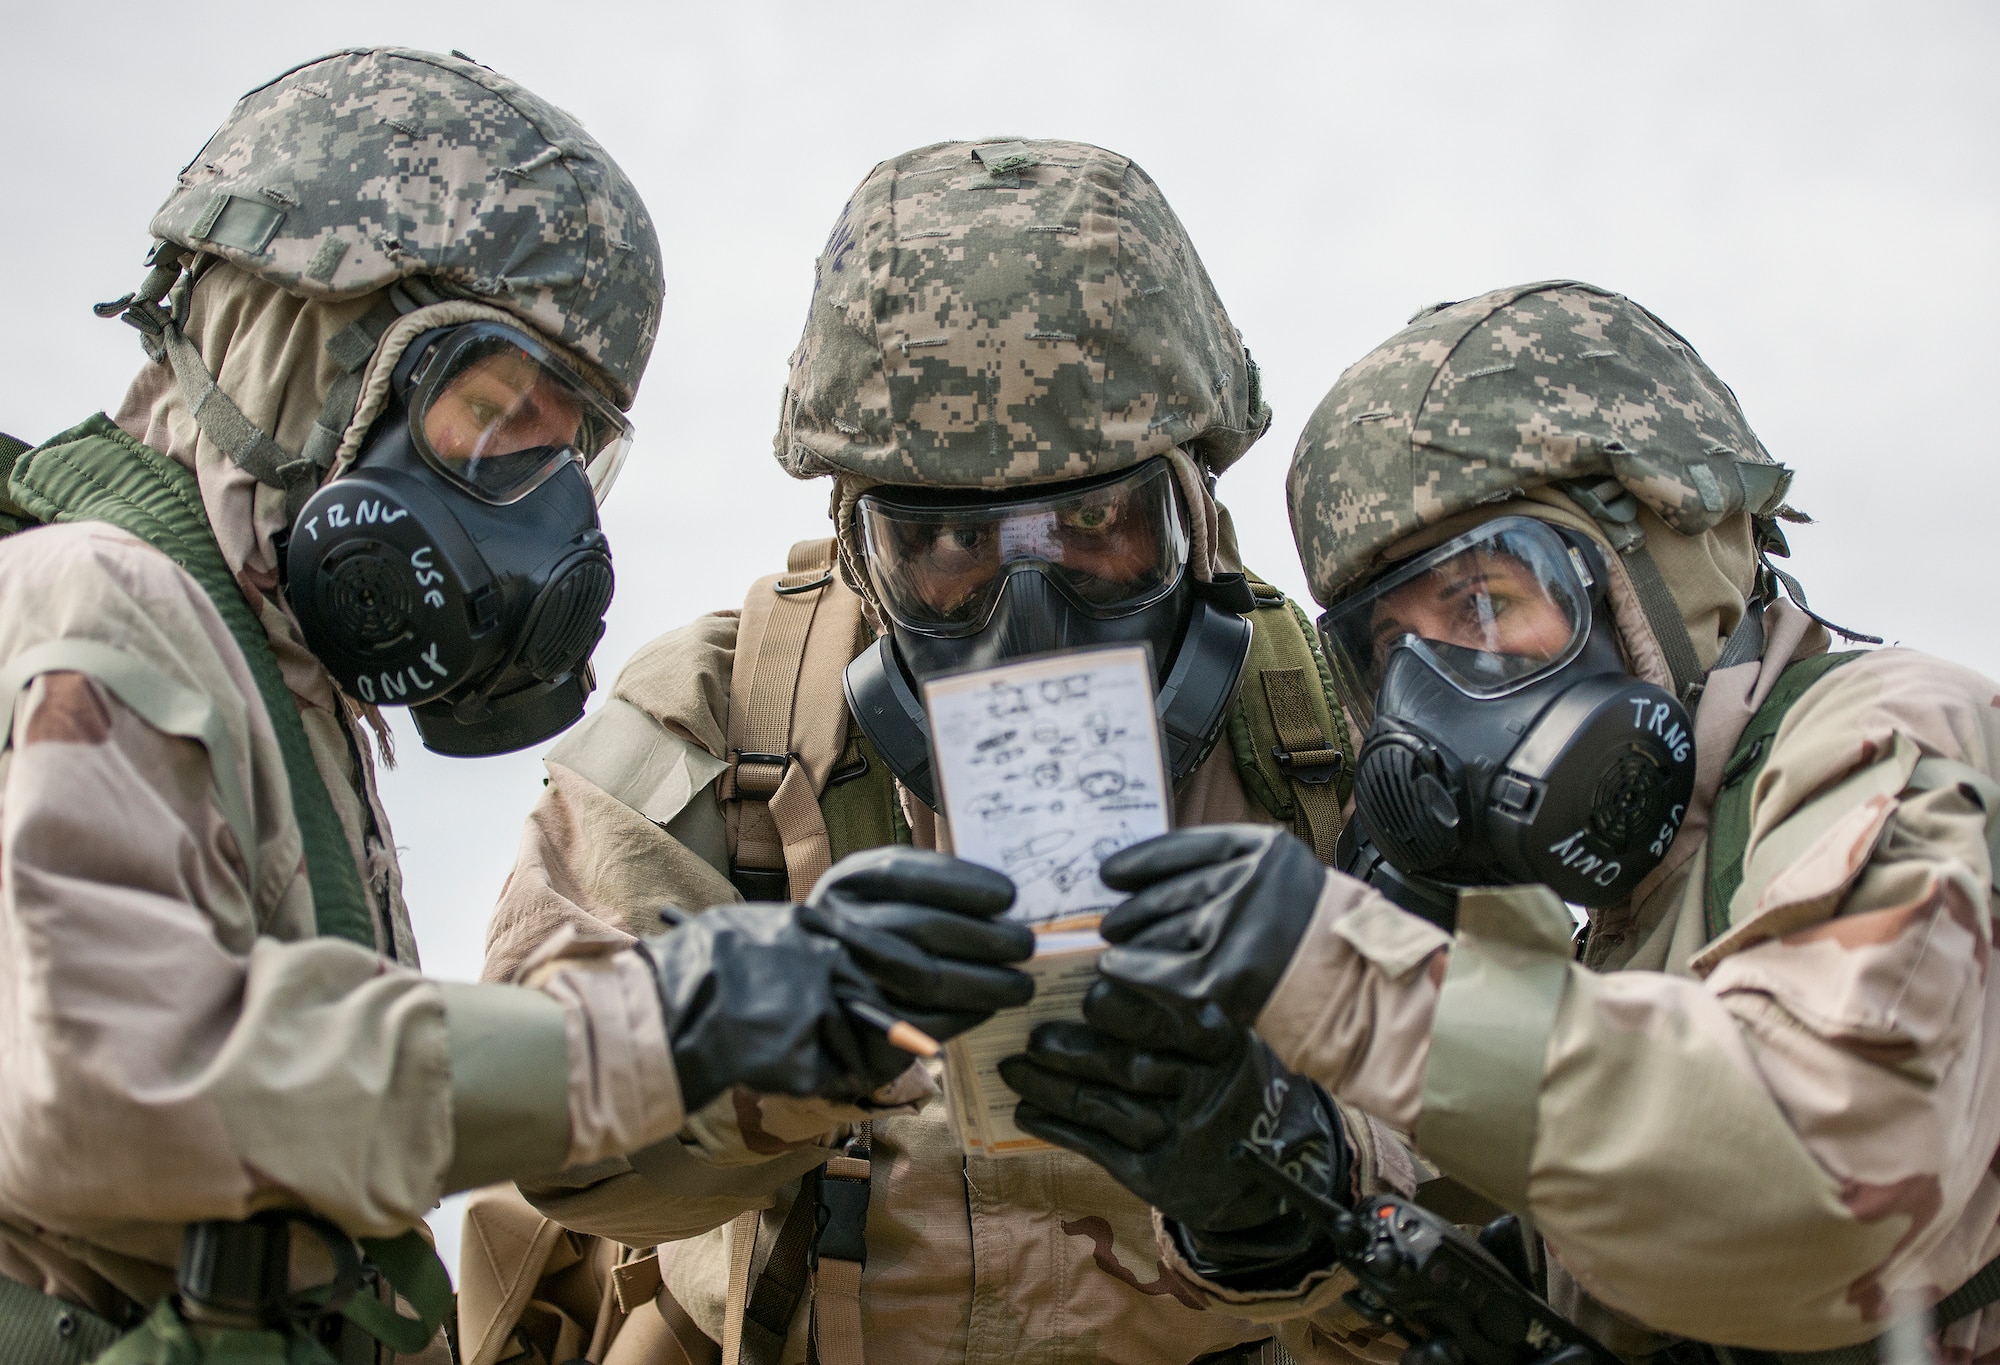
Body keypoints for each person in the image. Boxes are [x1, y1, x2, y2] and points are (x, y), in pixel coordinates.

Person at [0, 48, 993, 1365]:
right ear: (298, 340)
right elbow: (111, 1087)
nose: (529, 513)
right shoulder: (100, 603)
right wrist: (673, 1020)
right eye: (486, 415)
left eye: (562, 452)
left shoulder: (268, 675)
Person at [461, 138, 1412, 1365]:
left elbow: (1535, 1176)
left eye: (1095, 524)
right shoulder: (724, 717)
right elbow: (543, 1131)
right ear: (861, 549)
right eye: (950, 550)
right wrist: (774, 1029)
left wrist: (1291, 1164)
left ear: (1193, 507)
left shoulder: (1342, 733)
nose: (1028, 614)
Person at [1006, 280, 2000, 1360]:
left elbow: (1820, 1192)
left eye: (1484, 604)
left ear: (1672, 556)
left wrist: (1343, 975)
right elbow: (1585, 1261)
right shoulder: (1625, 908)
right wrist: (1270, 1174)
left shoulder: (1886, 734)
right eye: (1394, 650)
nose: (1436, 698)